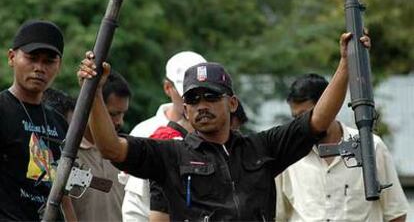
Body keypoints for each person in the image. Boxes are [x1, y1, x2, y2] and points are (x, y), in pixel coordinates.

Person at [78, 32, 369, 220]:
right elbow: (110, 147)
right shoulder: (169, 155)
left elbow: (317, 120)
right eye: (193, 99)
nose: (202, 105)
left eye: (211, 96)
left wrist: (346, 63)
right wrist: (93, 94)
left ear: (231, 103)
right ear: (186, 109)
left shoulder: (261, 148)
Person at [275, 73, 409, 222]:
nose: (303, 124)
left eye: (308, 116)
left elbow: (396, 212)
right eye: (296, 118)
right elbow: (277, 215)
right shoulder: (288, 154)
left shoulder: (370, 146)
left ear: (330, 107)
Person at [0, 20, 73, 221]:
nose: (39, 68)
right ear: (12, 57)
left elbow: (64, 195)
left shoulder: (59, 123)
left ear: (59, 65)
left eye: (49, 61)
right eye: (32, 58)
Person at [121, 51, 206, 222]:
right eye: (186, 93)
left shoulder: (215, 133)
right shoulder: (144, 133)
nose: (192, 100)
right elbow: (135, 203)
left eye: (202, 93)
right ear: (168, 87)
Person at [71, 69, 131, 222]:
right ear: (94, 105)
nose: (120, 122)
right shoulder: (67, 154)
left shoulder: (122, 153)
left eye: (122, 114)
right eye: (113, 114)